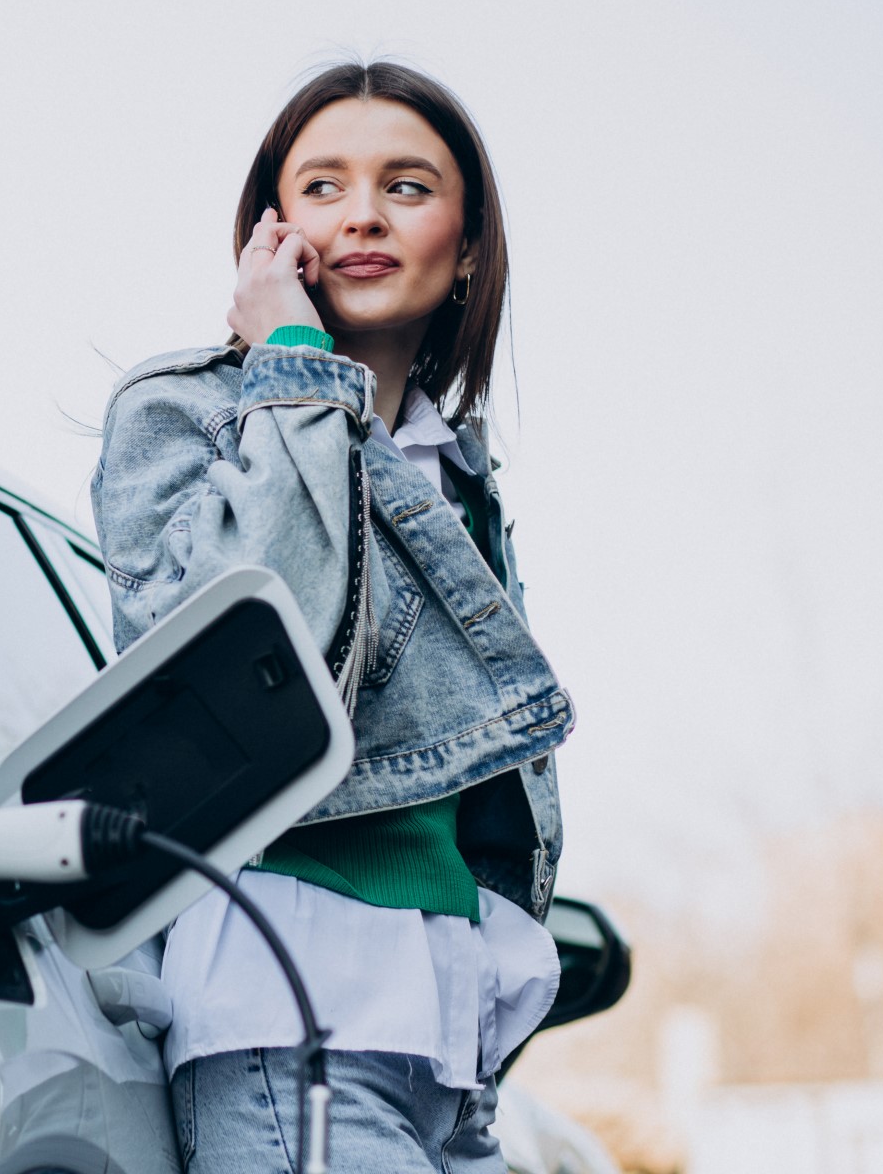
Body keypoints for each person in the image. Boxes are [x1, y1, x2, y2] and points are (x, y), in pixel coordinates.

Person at [92, 61, 574, 1173]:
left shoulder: (462, 474)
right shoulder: (181, 413)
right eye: (322, 186)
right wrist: (296, 367)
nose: (362, 214)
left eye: (407, 186)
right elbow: (261, 655)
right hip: (290, 1019)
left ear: (467, 247)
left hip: (450, 1051)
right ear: (272, 234)